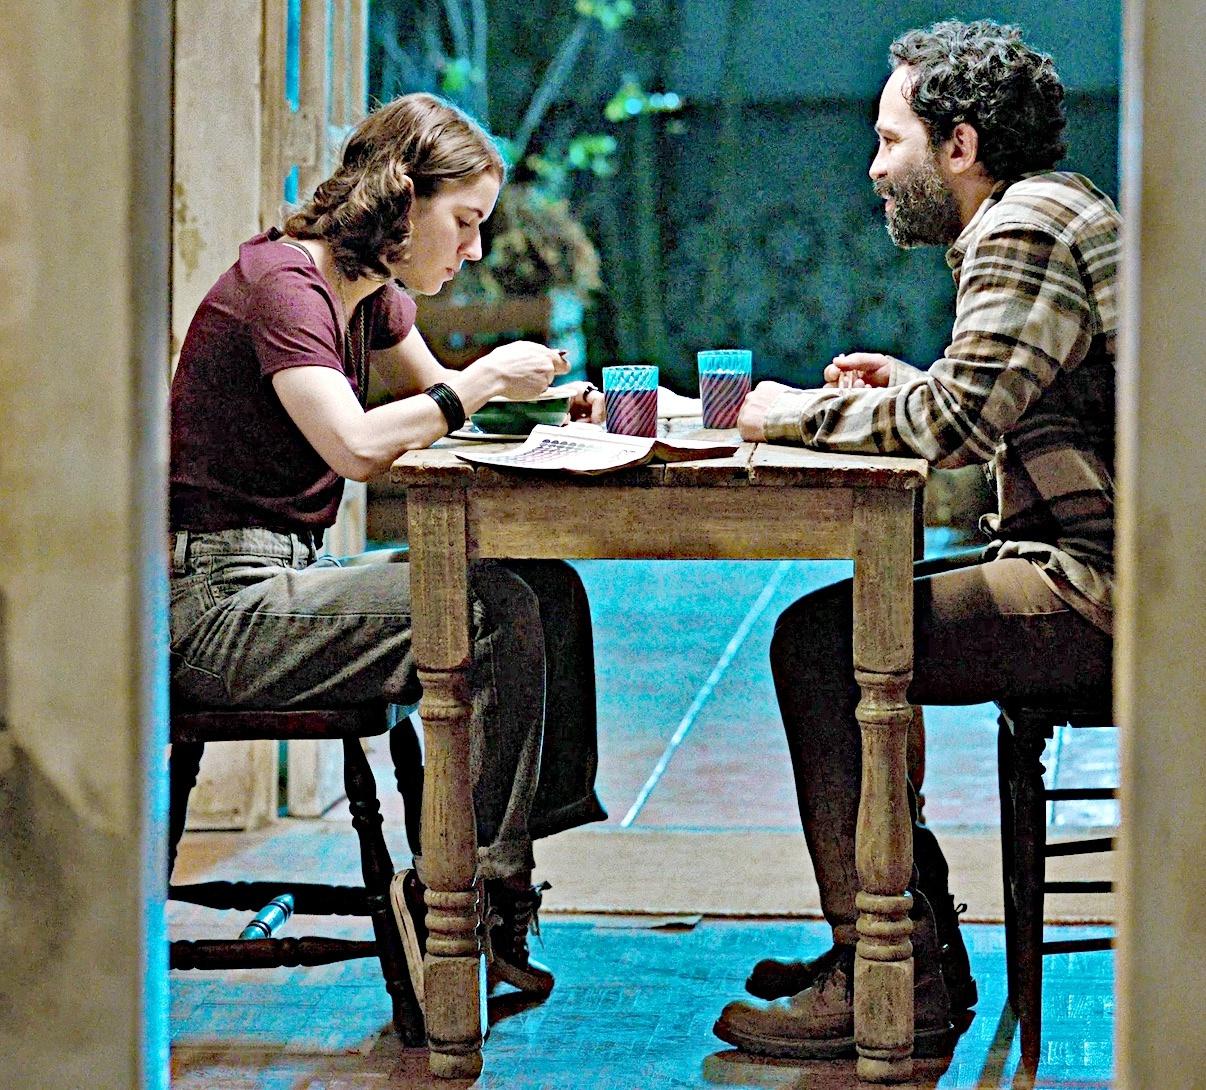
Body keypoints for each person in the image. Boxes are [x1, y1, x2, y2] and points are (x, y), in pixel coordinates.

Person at [714, 20, 1118, 1059]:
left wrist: (790, 413)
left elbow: (952, 429)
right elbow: (988, 404)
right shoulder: (1052, 208)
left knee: (822, 644)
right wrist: (912, 386)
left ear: (961, 146)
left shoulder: (1023, 230)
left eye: (891, 141)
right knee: (847, 628)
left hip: (1116, 591)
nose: (874, 167)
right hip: (1115, 564)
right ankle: (908, 950)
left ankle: (886, 969)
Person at [168, 93, 608, 1007]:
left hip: (289, 575)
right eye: (465, 222)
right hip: (212, 607)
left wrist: (548, 406)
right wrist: (481, 383)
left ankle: (493, 882)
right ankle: (460, 897)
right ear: (403, 200)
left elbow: (444, 407)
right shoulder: (284, 288)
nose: (474, 250)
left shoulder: (370, 297)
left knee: (545, 590)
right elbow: (359, 447)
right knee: (492, 609)